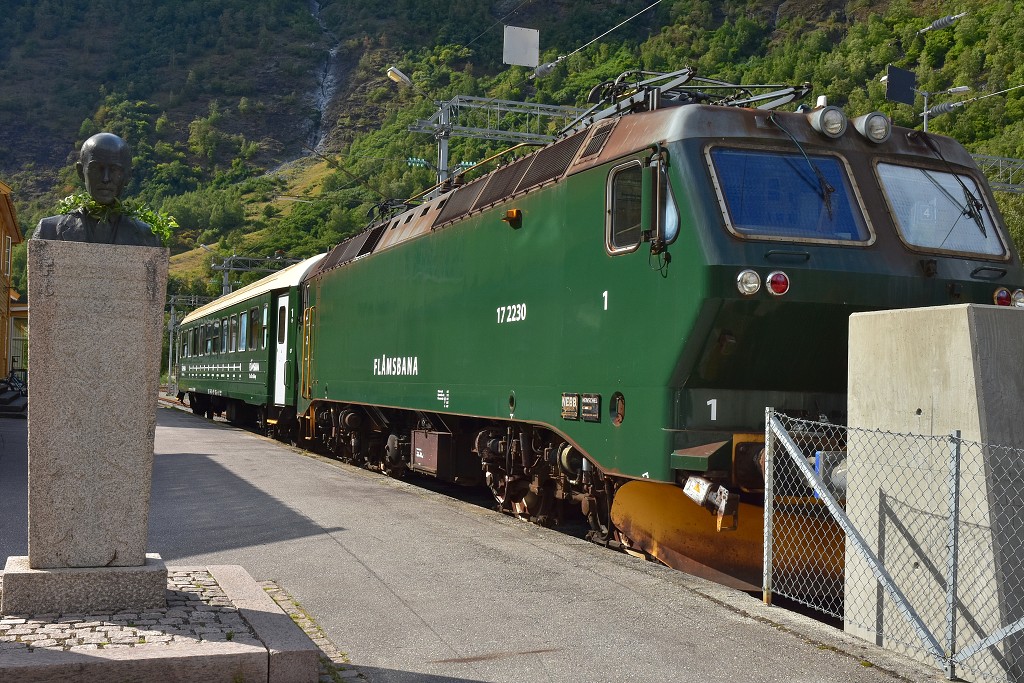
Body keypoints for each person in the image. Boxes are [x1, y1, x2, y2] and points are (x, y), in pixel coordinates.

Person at [32, 133, 162, 246]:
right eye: (96, 168)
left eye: (114, 170)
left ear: (128, 176)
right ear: (81, 172)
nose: (105, 179)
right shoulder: (48, 231)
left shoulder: (147, 237)